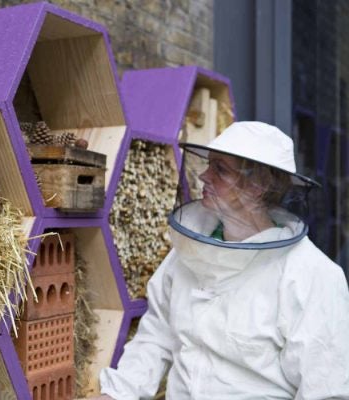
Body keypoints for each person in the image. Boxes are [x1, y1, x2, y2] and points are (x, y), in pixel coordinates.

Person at [93, 121, 349, 399]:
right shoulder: (188, 252)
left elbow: (325, 390)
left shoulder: (312, 275)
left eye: (221, 169)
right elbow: (155, 338)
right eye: (208, 164)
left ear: (258, 185)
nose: (203, 175)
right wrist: (117, 393)